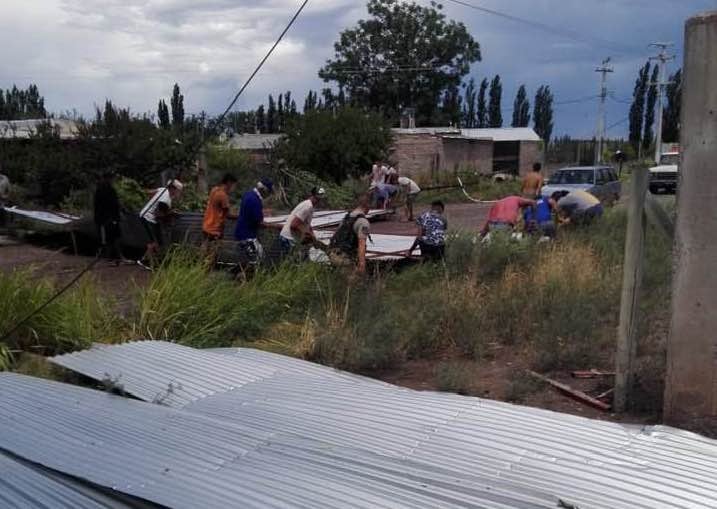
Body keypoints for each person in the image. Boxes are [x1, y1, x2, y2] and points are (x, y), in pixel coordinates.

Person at [139, 178, 183, 262]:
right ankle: (145, 261)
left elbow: (150, 192)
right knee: (153, 243)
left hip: (149, 216)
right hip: (148, 217)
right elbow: (158, 214)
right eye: (178, 190)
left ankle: (153, 259)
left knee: (159, 242)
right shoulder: (165, 200)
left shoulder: (163, 190)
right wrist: (171, 213)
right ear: (173, 189)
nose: (179, 193)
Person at [234, 178, 274, 265]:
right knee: (258, 259)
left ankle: (243, 275)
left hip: (241, 232)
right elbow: (258, 220)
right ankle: (246, 276)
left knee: (252, 258)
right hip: (248, 235)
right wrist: (268, 224)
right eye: (268, 192)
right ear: (264, 190)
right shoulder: (255, 200)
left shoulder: (249, 194)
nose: (268, 195)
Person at [329, 194, 371, 273]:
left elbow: (336, 235)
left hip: (333, 254)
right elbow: (361, 244)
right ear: (367, 207)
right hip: (344, 257)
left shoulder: (346, 218)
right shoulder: (363, 222)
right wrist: (362, 264)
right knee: (352, 282)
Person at [278, 186, 325, 257]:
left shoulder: (310, 206)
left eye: (320, 197)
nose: (318, 199)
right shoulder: (307, 206)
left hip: (292, 239)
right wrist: (307, 234)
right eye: (317, 197)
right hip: (289, 239)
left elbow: (306, 224)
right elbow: (293, 225)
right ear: (313, 195)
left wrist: (313, 237)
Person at [93, 172, 125, 264]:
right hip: (107, 218)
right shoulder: (102, 190)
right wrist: (106, 218)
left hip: (112, 217)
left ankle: (116, 256)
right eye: (111, 179)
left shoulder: (110, 189)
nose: (112, 180)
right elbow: (102, 206)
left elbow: (116, 203)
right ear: (107, 178)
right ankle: (110, 257)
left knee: (115, 237)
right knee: (109, 239)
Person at [202, 173, 237, 241]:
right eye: (234, 185)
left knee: (204, 249)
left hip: (207, 226)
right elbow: (228, 215)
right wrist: (241, 216)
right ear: (229, 183)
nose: (234, 188)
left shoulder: (214, 190)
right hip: (215, 230)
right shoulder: (223, 196)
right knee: (213, 250)